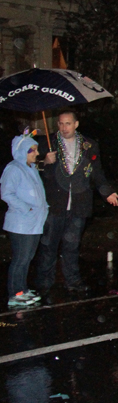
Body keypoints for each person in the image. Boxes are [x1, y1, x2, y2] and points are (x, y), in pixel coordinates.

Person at [35, 109, 118, 294]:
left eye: (67, 123)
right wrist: (43, 161)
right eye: (60, 123)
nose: (63, 128)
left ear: (76, 124)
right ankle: (44, 283)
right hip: (54, 204)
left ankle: (73, 281)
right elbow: (27, 164)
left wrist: (107, 192)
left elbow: (97, 172)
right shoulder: (47, 143)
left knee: (71, 247)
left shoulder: (89, 145)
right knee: (49, 246)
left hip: (79, 204)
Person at [1, 132, 50, 308]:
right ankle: (15, 294)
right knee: (20, 258)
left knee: (27, 258)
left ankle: (22, 289)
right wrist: (26, 208)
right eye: (33, 150)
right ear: (22, 151)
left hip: (33, 223)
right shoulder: (14, 168)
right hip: (21, 223)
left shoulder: (30, 168)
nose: (36, 154)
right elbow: (7, 193)